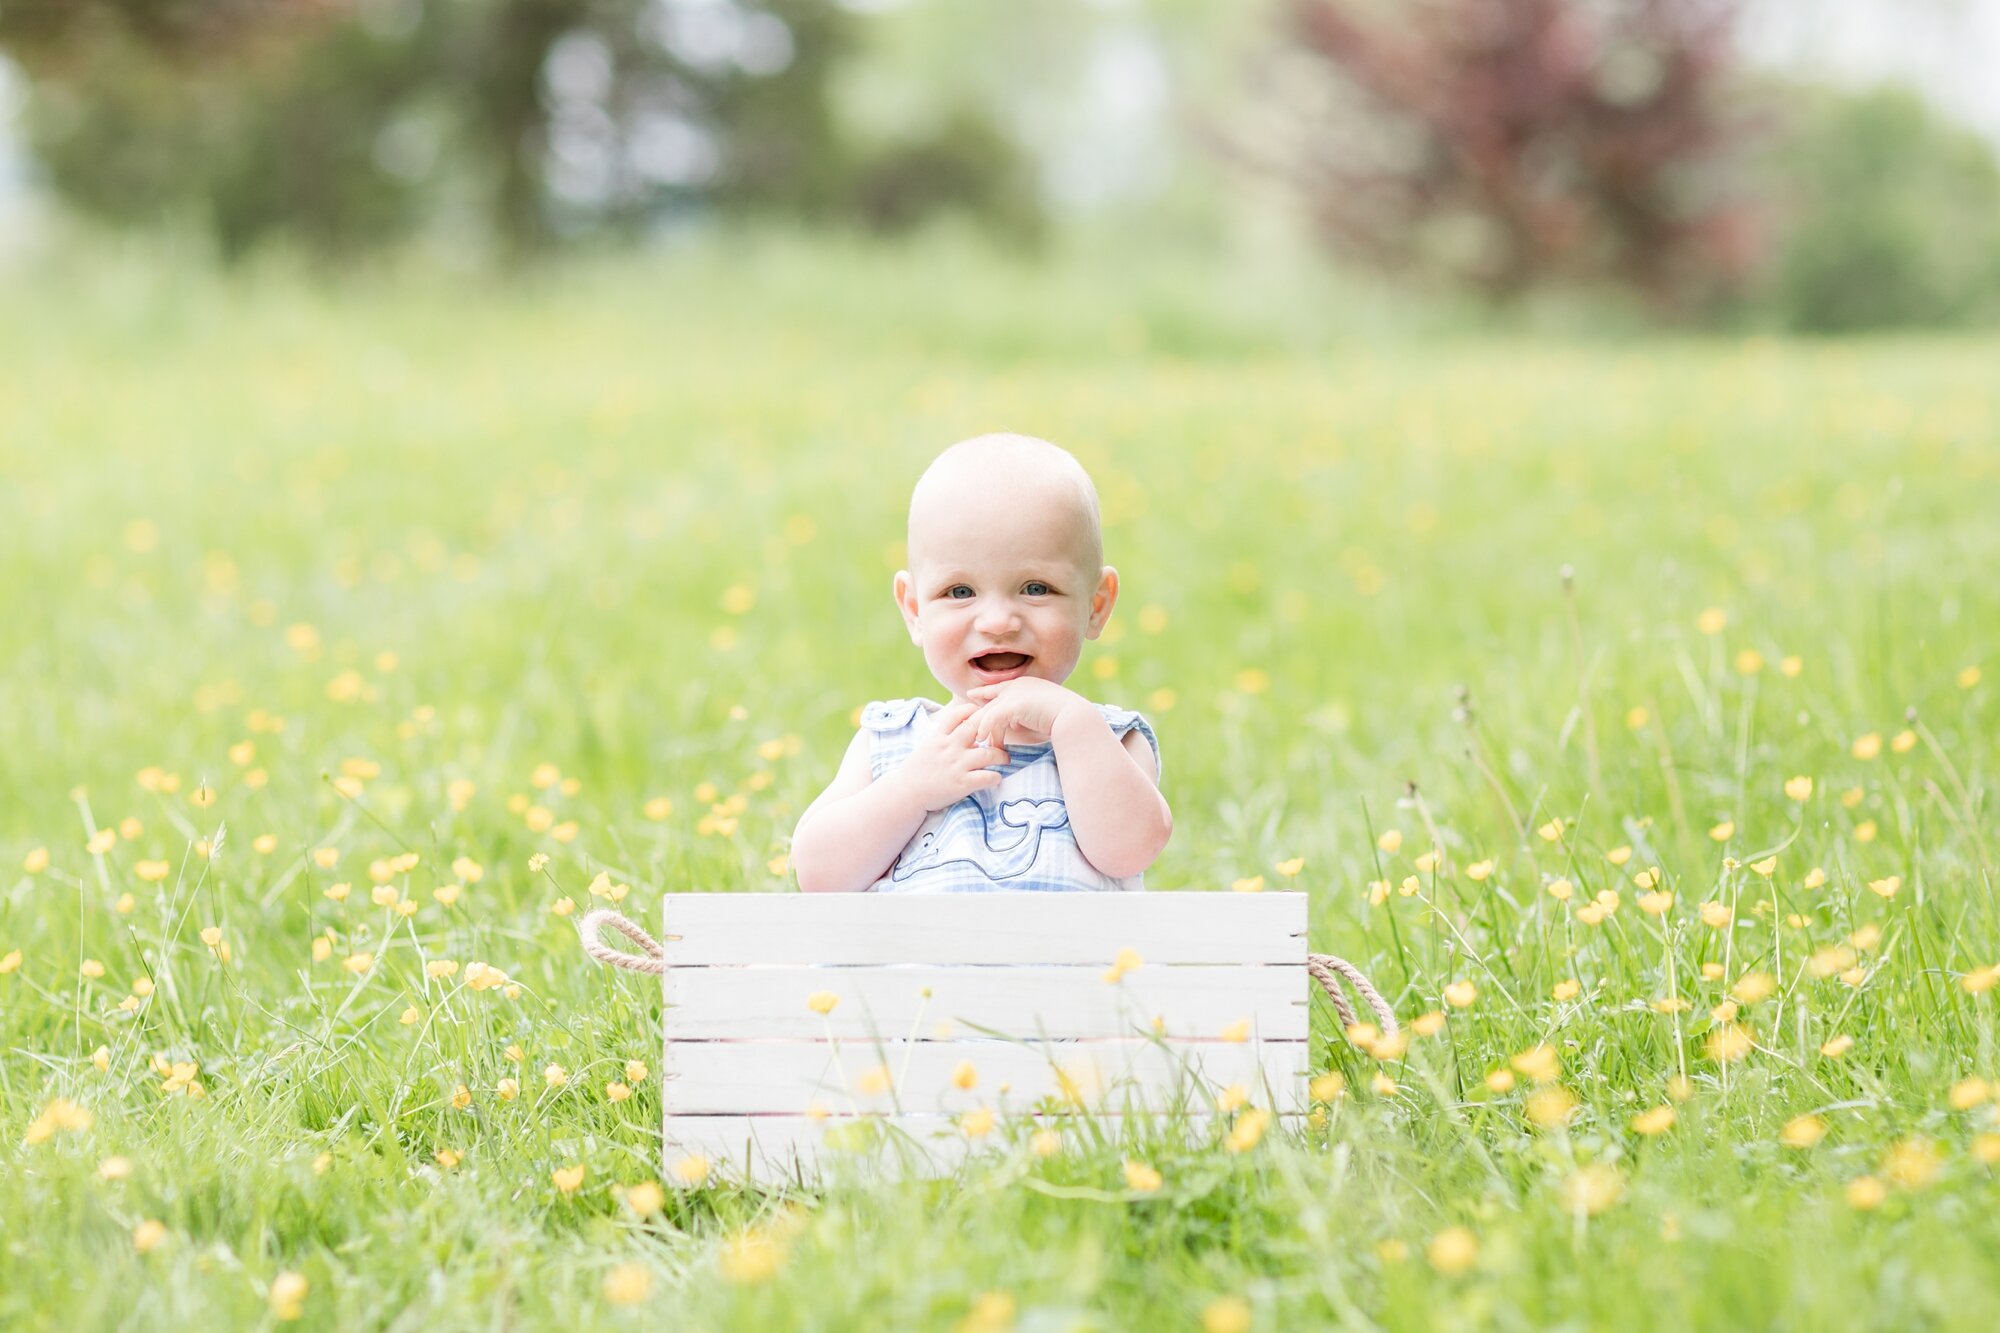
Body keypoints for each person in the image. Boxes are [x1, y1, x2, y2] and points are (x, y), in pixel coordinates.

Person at [790, 434, 1171, 893]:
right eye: (960, 592)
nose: (997, 622)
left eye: (1035, 588)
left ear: (1096, 604)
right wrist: (911, 789)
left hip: (1065, 965)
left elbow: (1128, 851)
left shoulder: (1110, 739)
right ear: (914, 610)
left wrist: (1071, 722)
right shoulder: (894, 742)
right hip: (916, 965)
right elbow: (816, 873)